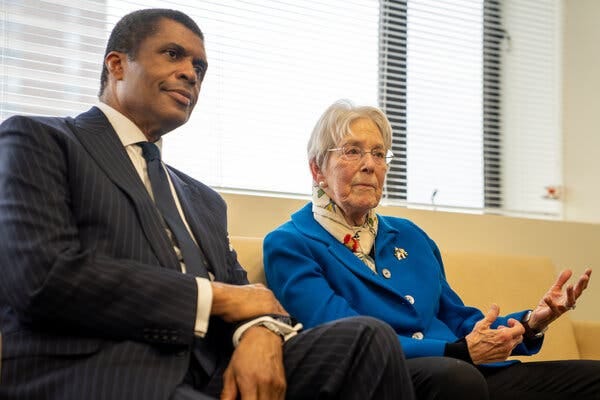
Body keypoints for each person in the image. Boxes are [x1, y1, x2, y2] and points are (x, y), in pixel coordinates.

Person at [0, 10, 416, 400]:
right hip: (108, 370)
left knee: (367, 340)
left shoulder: (201, 199)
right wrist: (215, 299)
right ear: (117, 65)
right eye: (173, 54)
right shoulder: (40, 141)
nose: (190, 74)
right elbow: (43, 276)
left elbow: (249, 294)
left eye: (199, 68)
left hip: (216, 369)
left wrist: (260, 332)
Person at [263, 99, 600, 400]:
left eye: (379, 154)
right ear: (317, 169)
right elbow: (351, 337)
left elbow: (458, 318)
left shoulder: (411, 236)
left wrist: (529, 322)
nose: (370, 164)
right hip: (386, 379)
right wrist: (458, 352)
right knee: (458, 378)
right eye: (352, 151)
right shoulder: (291, 243)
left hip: (461, 369)